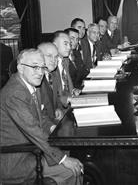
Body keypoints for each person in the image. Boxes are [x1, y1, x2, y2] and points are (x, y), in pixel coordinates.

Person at [0, 48, 83, 185]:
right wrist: (63, 159)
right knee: (73, 170)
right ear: (20, 68)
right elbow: (34, 131)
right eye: (34, 67)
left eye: (42, 67)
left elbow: (41, 116)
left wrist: (52, 127)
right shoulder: (15, 94)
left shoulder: (31, 84)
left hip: (32, 148)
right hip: (18, 160)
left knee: (73, 155)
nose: (40, 72)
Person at [52, 31, 81, 108]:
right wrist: (67, 99)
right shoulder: (51, 65)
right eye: (65, 44)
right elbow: (50, 95)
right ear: (54, 45)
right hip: (59, 108)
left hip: (70, 103)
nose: (69, 47)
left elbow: (66, 84)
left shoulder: (65, 61)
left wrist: (73, 90)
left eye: (69, 44)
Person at [38, 42, 64, 122]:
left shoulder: (53, 74)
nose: (54, 60)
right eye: (49, 56)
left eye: (56, 57)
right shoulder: (35, 78)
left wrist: (58, 108)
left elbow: (57, 96)